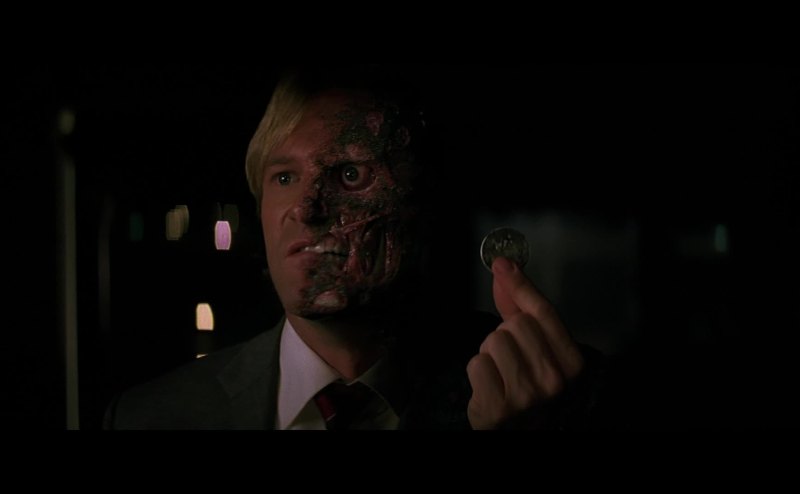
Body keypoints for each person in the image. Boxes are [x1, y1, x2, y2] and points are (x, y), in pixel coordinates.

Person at [104, 65, 604, 430]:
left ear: (424, 201)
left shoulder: (559, 393)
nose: (306, 209)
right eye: (284, 177)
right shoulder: (152, 416)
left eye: (349, 174)